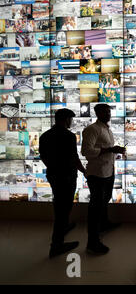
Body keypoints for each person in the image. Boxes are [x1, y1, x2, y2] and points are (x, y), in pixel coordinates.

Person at [39, 108, 86, 258]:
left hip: (53, 175)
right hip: (67, 176)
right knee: (63, 208)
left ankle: (64, 226)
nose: (71, 122)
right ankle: (56, 245)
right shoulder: (69, 136)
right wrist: (84, 171)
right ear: (66, 119)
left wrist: (53, 167)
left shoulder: (45, 135)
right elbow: (74, 158)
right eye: (70, 119)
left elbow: (43, 156)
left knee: (59, 204)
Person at [81, 104, 126, 255]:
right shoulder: (92, 129)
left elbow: (104, 149)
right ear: (97, 113)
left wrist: (115, 150)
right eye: (105, 112)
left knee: (104, 201)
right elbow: (86, 151)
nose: (108, 114)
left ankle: (104, 224)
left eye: (109, 111)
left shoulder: (106, 129)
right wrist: (111, 150)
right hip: (97, 173)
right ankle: (92, 242)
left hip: (107, 171)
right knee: (95, 207)